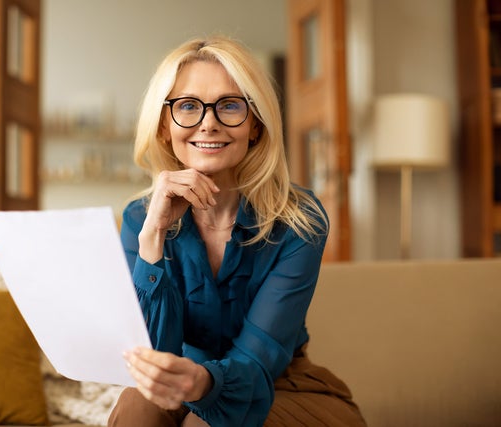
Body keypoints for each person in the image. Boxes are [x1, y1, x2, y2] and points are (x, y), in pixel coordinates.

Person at [108, 35, 366, 427]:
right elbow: (152, 361)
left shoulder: (301, 220)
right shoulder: (139, 219)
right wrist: (153, 239)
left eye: (229, 105)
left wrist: (203, 383)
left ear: (256, 126)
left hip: (280, 386)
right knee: (136, 407)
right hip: (179, 380)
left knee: (209, 422)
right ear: (164, 126)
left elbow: (257, 358)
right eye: (188, 106)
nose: (208, 123)